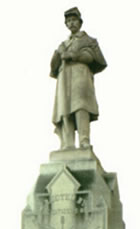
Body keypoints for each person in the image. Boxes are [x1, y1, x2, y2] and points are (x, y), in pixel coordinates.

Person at [50, 7, 107, 149]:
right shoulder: (63, 44)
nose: (71, 23)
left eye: (74, 20)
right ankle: (67, 144)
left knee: (81, 107)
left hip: (80, 76)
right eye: (68, 21)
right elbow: (53, 68)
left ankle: (84, 141)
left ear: (80, 22)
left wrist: (76, 56)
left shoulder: (88, 40)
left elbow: (98, 60)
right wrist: (57, 54)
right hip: (64, 78)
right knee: (64, 110)